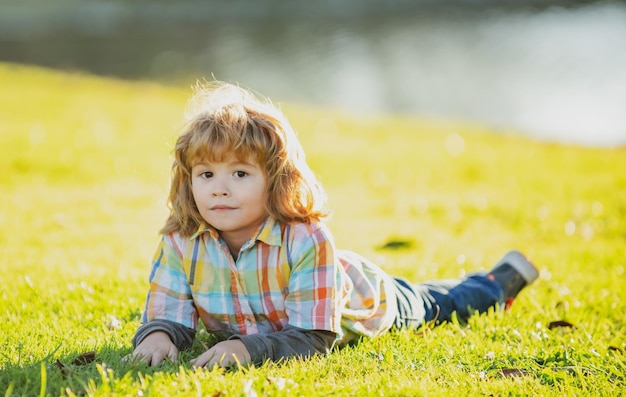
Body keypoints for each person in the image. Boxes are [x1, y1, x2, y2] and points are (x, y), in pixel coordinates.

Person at [129, 81, 539, 368]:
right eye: (206, 175)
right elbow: (170, 314)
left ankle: (496, 283)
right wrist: (159, 337)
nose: (220, 189)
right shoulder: (183, 240)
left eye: (240, 174)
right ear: (189, 179)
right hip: (306, 304)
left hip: (366, 300)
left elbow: (312, 339)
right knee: (432, 294)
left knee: (438, 304)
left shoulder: (305, 238)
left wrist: (248, 350)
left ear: (276, 179)